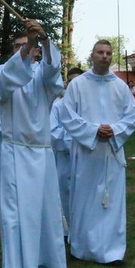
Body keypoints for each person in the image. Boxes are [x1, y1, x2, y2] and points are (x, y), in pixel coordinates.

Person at [0, 20, 66, 268]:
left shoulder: (44, 78)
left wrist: (44, 40)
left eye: (29, 46)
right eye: (20, 46)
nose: (25, 49)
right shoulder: (5, 72)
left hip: (41, 152)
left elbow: (53, 73)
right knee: (13, 216)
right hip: (13, 151)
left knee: (39, 214)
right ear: (14, 50)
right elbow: (3, 87)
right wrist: (27, 50)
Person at [57, 40, 135, 266]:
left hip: (111, 152)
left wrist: (114, 130)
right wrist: (93, 130)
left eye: (108, 53)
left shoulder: (120, 86)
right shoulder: (78, 85)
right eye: (100, 52)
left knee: (111, 202)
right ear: (91, 55)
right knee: (84, 200)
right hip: (86, 153)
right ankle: (82, 247)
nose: (104, 56)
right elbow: (67, 115)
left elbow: (131, 114)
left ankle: (112, 251)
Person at [50, 66, 84, 240]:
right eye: (71, 81)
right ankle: (66, 230)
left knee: (84, 195)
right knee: (64, 193)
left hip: (85, 157)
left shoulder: (87, 105)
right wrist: (73, 139)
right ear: (66, 83)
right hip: (64, 157)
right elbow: (53, 132)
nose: (73, 84)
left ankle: (83, 230)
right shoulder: (58, 106)